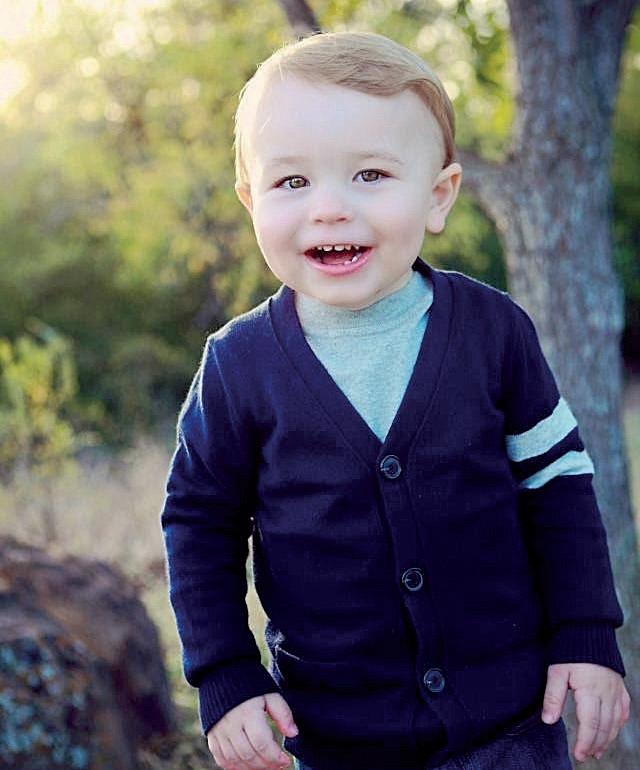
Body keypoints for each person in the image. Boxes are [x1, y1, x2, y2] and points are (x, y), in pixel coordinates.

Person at [160, 31, 630, 770]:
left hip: (510, 722)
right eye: (292, 182)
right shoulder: (237, 367)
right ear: (251, 201)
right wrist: (226, 676)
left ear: (438, 196)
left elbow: (557, 482)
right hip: (336, 735)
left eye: (371, 174)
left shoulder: (493, 331)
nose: (329, 209)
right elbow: (198, 524)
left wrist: (586, 633)